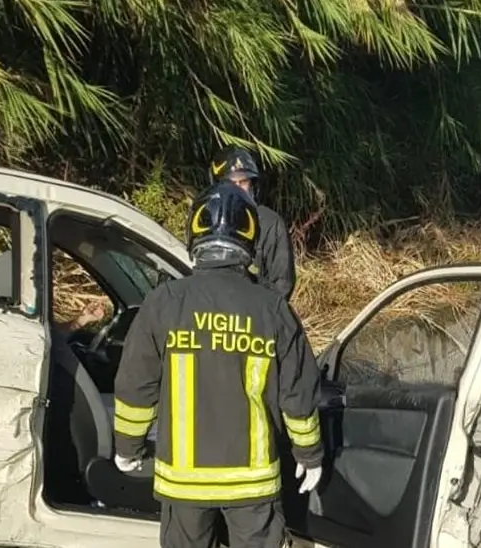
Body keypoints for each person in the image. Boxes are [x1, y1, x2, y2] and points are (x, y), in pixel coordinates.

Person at [112, 182, 324, 548]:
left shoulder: (165, 302)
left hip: (184, 483)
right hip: (252, 483)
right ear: (250, 240)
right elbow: (298, 393)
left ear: (194, 234)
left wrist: (127, 448)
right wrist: (310, 454)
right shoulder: (271, 308)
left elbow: (136, 386)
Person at [211, 146, 296, 301]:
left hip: (255, 309)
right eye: (231, 182)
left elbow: (282, 285)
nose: (237, 189)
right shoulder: (207, 219)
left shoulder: (270, 223)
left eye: (243, 182)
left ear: (252, 185)